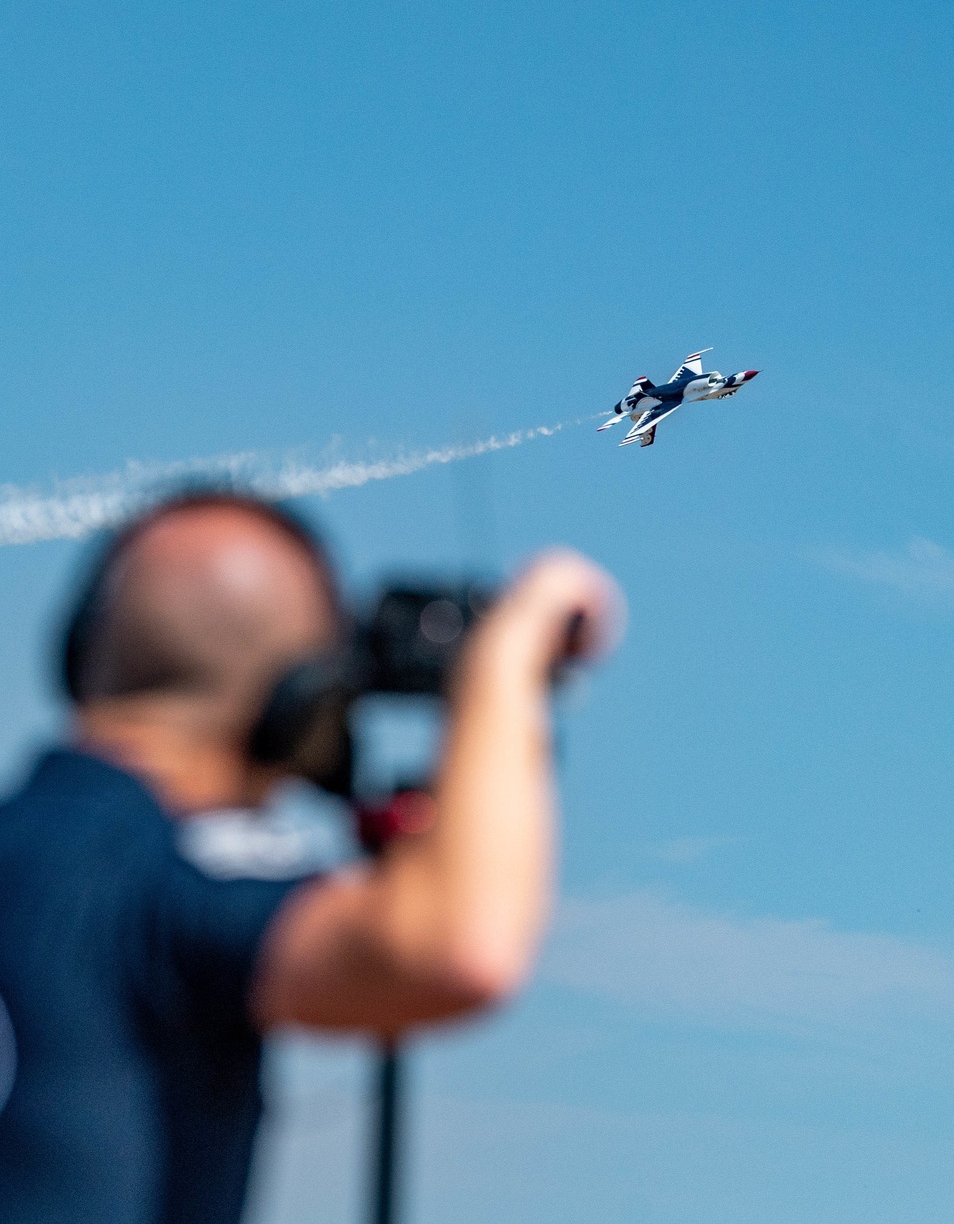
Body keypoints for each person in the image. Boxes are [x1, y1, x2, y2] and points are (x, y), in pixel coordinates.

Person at [0, 490, 619, 1224]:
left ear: (76, 654)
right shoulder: (162, 873)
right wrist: (508, 658)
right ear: (302, 702)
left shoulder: (37, 848)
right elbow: (459, 948)